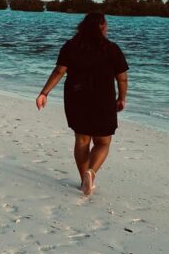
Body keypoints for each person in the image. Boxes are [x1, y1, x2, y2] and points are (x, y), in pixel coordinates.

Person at [36, 12, 129, 197]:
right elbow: (122, 78)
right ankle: (91, 172)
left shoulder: (71, 46)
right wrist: (121, 98)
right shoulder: (112, 49)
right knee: (103, 142)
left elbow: (59, 71)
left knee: (82, 140)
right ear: (102, 27)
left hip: (76, 97)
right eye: (106, 24)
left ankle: (83, 179)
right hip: (103, 99)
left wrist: (44, 93)